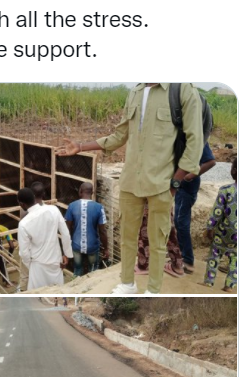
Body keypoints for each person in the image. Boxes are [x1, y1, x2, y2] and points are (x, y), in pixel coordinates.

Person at [57, 83, 204, 294]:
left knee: (157, 239)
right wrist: (81, 147)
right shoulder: (135, 92)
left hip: (161, 182)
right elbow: (120, 135)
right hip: (130, 182)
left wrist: (175, 182)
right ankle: (127, 284)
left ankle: (153, 290)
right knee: (127, 237)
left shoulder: (181, 90)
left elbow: (195, 140)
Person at [17, 188, 73, 290]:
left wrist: (31, 266)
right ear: (34, 197)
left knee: (37, 300)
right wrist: (67, 254)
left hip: (38, 266)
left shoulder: (24, 224)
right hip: (56, 262)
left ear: (22, 204)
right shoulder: (53, 210)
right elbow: (65, 234)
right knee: (57, 294)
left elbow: (24, 253)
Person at [175, 143, 217, 273]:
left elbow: (211, 162)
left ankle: (187, 260)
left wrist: (189, 176)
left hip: (187, 187)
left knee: (181, 223)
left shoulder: (199, 138)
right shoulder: (181, 136)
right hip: (180, 187)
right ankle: (181, 255)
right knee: (178, 221)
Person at [204, 159, 237, 292]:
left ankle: (209, 282)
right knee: (236, 259)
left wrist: (209, 228)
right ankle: (229, 285)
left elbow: (217, 212)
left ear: (233, 171)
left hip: (224, 232)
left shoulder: (226, 190)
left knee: (215, 253)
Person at [64, 182, 109, 277]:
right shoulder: (99, 207)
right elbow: (102, 231)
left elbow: (67, 229)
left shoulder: (72, 206)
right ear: (92, 192)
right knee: (93, 271)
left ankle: (76, 288)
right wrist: (106, 249)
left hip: (76, 245)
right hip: (92, 246)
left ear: (80, 191)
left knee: (77, 269)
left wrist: (67, 247)